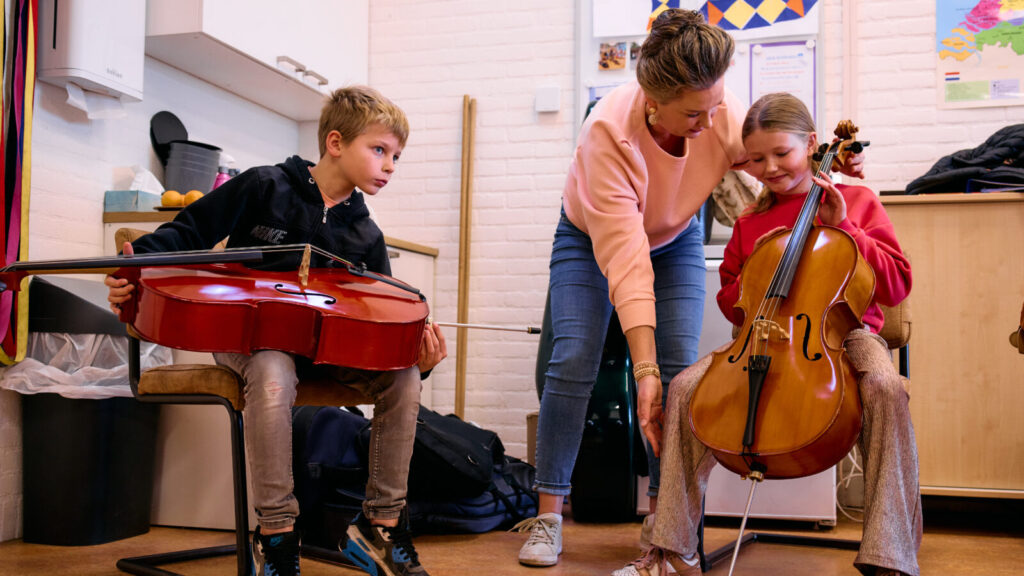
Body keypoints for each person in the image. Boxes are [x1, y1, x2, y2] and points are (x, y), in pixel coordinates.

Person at [516, 9, 864, 568]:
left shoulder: (717, 108)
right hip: (589, 237)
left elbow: (774, 162)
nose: (711, 120)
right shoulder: (608, 132)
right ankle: (549, 515)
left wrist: (826, 167)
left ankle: (665, 517)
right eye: (693, 113)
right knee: (573, 357)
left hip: (675, 235)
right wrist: (641, 370)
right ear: (655, 101)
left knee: (681, 374)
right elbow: (627, 262)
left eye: (716, 104)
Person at [106, 86, 447, 576]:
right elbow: (186, 235)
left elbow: (379, 319)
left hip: (324, 349)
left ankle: (380, 525)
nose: (391, 164)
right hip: (247, 338)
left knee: (402, 378)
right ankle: (277, 534)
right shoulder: (264, 186)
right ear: (335, 142)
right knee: (271, 368)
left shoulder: (366, 235)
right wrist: (134, 274)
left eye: (397, 155)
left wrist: (419, 360)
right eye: (380, 150)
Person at [616, 92, 919, 576]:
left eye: (782, 153)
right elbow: (730, 303)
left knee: (884, 387)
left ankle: (891, 555)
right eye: (755, 158)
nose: (769, 167)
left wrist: (848, 230)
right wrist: (754, 270)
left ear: (813, 145)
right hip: (762, 336)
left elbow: (897, 283)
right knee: (686, 388)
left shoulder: (857, 201)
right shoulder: (750, 220)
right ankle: (672, 551)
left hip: (847, 336)